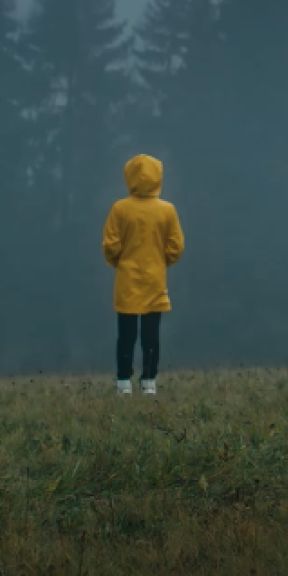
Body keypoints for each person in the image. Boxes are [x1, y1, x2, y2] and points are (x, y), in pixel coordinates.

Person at [102, 154, 184, 395]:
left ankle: (123, 382)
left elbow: (111, 243)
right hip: (155, 279)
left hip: (127, 279)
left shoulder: (120, 209)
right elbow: (176, 246)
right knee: (151, 334)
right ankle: (149, 380)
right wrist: (161, 261)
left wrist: (117, 262)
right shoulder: (167, 210)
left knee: (126, 334)